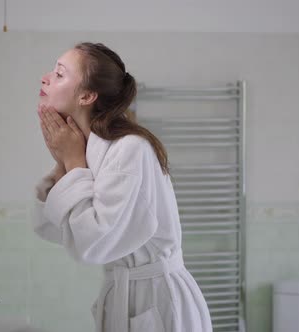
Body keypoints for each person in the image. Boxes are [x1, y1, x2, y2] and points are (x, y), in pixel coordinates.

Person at [33, 42, 212, 332]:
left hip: (158, 301)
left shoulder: (130, 149)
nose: (45, 77)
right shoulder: (89, 148)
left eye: (60, 73)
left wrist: (73, 162)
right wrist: (62, 165)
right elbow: (53, 228)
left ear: (87, 96)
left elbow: (93, 244)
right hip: (127, 294)